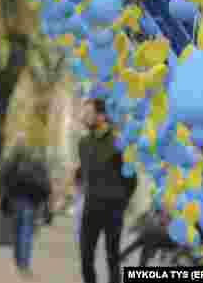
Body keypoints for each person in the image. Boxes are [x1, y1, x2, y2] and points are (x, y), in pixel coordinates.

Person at [78, 97, 137, 283]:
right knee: (85, 258)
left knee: (112, 257)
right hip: (90, 208)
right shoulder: (83, 143)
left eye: (88, 113)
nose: (84, 117)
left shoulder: (118, 143)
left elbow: (131, 178)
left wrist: (120, 201)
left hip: (113, 209)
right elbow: (84, 171)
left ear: (101, 116)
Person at [0, 140, 53, 278]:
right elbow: (46, 183)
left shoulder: (10, 161)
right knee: (26, 233)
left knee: (16, 232)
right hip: (31, 202)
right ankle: (24, 265)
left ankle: (19, 261)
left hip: (14, 201)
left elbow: (0, 176)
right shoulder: (36, 161)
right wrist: (45, 200)